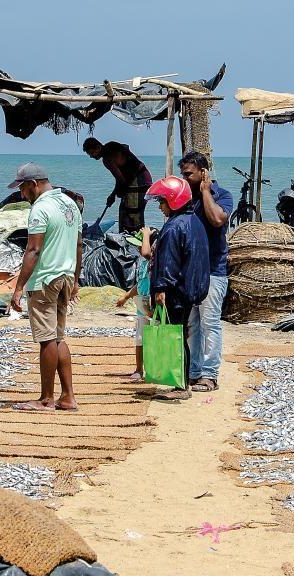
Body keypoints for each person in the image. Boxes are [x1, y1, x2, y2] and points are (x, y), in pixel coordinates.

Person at [9, 162, 82, 412]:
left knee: (46, 339)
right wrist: (76, 279)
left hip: (45, 279)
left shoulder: (40, 208)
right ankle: (68, 397)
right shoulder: (69, 203)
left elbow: (34, 249)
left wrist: (18, 287)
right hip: (65, 276)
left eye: (23, 189)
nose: (22, 195)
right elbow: (79, 245)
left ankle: (46, 398)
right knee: (58, 337)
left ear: (34, 184)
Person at [146, 175, 210, 401]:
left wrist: (161, 289)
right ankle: (182, 381)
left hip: (176, 292)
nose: (161, 207)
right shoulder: (194, 222)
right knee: (180, 334)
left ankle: (182, 385)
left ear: (173, 201)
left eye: (162, 202)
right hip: (190, 290)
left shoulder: (174, 227)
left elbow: (169, 262)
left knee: (176, 337)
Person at [178, 151, 232, 392]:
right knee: (192, 324)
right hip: (190, 272)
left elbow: (217, 220)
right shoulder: (186, 199)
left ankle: (209, 375)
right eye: (182, 174)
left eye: (188, 174)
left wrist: (205, 192)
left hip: (213, 271)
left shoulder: (222, 195)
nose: (185, 179)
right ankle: (194, 371)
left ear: (204, 172)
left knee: (210, 324)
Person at [84, 136, 154, 233]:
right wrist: (114, 194)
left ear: (98, 147)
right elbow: (121, 178)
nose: (92, 156)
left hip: (138, 181)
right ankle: (131, 237)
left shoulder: (107, 158)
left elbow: (121, 180)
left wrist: (113, 195)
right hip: (142, 178)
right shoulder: (111, 145)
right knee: (126, 211)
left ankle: (137, 240)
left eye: (92, 153)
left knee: (132, 214)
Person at [114, 227, 154, 383]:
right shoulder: (143, 262)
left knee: (154, 338)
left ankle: (153, 368)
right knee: (140, 338)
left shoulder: (153, 259)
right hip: (141, 305)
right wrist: (126, 296)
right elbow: (140, 283)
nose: (138, 249)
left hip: (153, 304)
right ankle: (139, 369)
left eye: (141, 244)